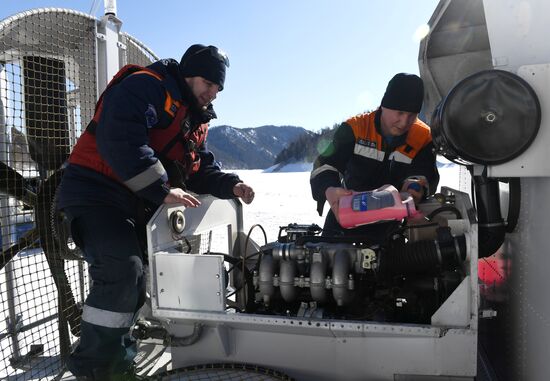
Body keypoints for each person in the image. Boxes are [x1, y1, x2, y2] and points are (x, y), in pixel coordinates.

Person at [57, 44, 254, 380]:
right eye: (209, 83)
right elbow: (120, 137)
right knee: (122, 271)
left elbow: (199, 169)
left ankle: (118, 359)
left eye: (219, 88)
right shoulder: (147, 86)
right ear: (188, 75)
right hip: (94, 192)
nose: (214, 94)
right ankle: (94, 367)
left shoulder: (194, 119)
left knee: (137, 280)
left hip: (131, 202)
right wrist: (162, 189)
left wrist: (230, 185)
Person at [310, 73, 439, 240]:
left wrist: (416, 186)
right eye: (399, 112)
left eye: (412, 115)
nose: (404, 122)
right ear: (384, 105)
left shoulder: (423, 137)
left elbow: (425, 172)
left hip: (394, 225)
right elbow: (325, 164)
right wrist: (330, 189)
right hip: (347, 217)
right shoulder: (355, 128)